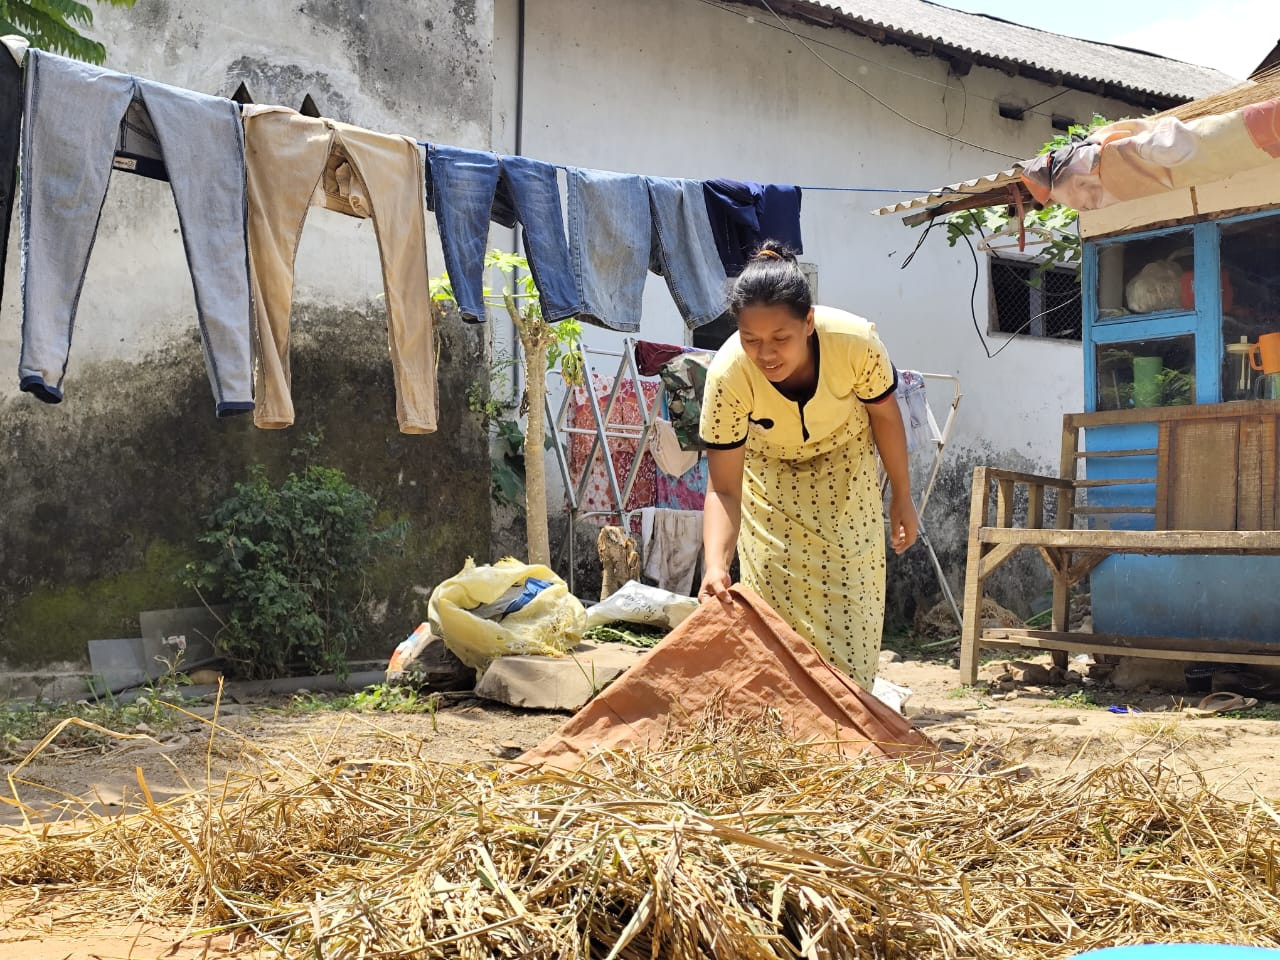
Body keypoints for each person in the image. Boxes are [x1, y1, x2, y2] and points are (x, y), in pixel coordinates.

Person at [697, 241, 918, 688]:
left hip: (847, 468)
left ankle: (850, 708)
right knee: (774, 629)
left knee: (852, 612)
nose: (766, 354)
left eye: (781, 339)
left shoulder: (856, 343)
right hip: (769, 482)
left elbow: (884, 417)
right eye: (751, 340)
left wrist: (902, 494)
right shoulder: (728, 375)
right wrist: (716, 565)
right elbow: (724, 487)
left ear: (809, 321)